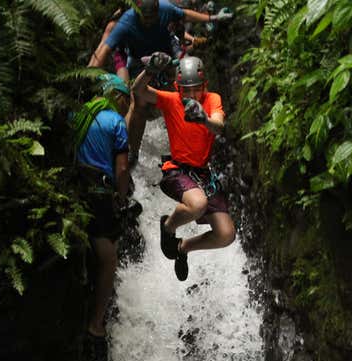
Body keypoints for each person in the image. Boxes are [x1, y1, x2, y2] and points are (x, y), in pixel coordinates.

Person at [88, 0, 234, 165]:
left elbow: (184, 16)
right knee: (137, 104)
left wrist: (213, 18)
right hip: (138, 62)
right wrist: (86, 77)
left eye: (152, 16)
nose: (149, 20)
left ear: (158, 10)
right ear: (137, 11)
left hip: (166, 58)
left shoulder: (166, 9)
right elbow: (104, 49)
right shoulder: (125, 21)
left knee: (184, 95)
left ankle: (192, 149)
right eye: (145, 16)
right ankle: (130, 153)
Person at [132, 54, 235, 281]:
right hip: (177, 169)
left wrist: (204, 119)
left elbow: (219, 126)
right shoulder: (171, 100)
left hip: (202, 173)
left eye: (196, 89)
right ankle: (168, 227)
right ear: (177, 88)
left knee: (226, 235)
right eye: (186, 90)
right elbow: (138, 90)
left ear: (204, 86)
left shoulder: (212, 99)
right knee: (198, 204)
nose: (191, 95)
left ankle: (182, 248)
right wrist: (149, 70)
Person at [72, 74, 132, 340]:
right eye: (126, 101)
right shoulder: (116, 122)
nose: (127, 107)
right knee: (109, 258)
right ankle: (96, 322)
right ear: (116, 96)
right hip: (99, 193)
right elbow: (121, 168)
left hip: (75, 189)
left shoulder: (80, 114)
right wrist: (120, 197)